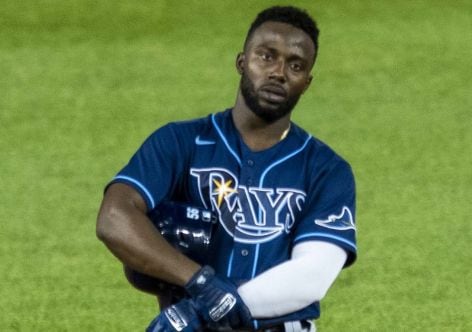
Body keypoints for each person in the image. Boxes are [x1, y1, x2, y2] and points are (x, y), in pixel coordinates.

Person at [97, 5, 357, 332]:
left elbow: (312, 277)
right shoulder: (180, 142)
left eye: (295, 65)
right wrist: (201, 283)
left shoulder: (326, 169)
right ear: (241, 62)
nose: (278, 72)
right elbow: (114, 217)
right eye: (266, 56)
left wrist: (201, 311)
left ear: (307, 82)